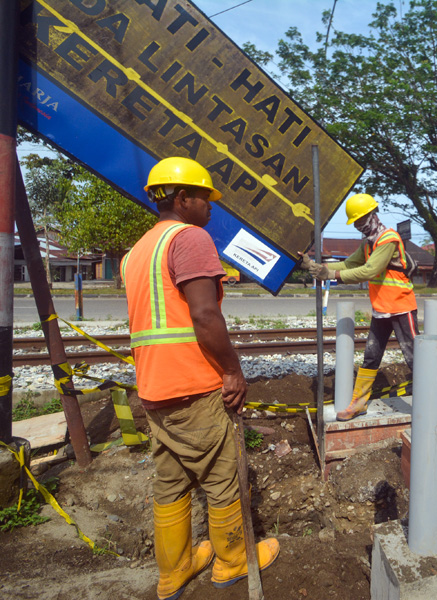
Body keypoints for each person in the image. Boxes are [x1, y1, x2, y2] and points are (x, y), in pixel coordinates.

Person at [121, 157, 279, 600]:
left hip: (155, 389)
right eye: (205, 197)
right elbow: (205, 314)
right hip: (194, 386)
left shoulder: (137, 252)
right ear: (181, 198)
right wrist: (232, 370)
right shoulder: (190, 238)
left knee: (170, 480)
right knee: (221, 474)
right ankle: (232, 560)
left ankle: (173, 572)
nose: (211, 206)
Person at [300, 193, 418, 421]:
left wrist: (331, 275)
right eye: (355, 222)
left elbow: (369, 271)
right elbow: (348, 264)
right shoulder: (368, 244)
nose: (358, 225)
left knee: (414, 358)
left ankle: (430, 401)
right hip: (381, 308)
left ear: (373, 214)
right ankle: (359, 403)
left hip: (401, 307)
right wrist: (315, 266)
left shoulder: (388, 239)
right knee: (371, 357)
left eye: (361, 219)